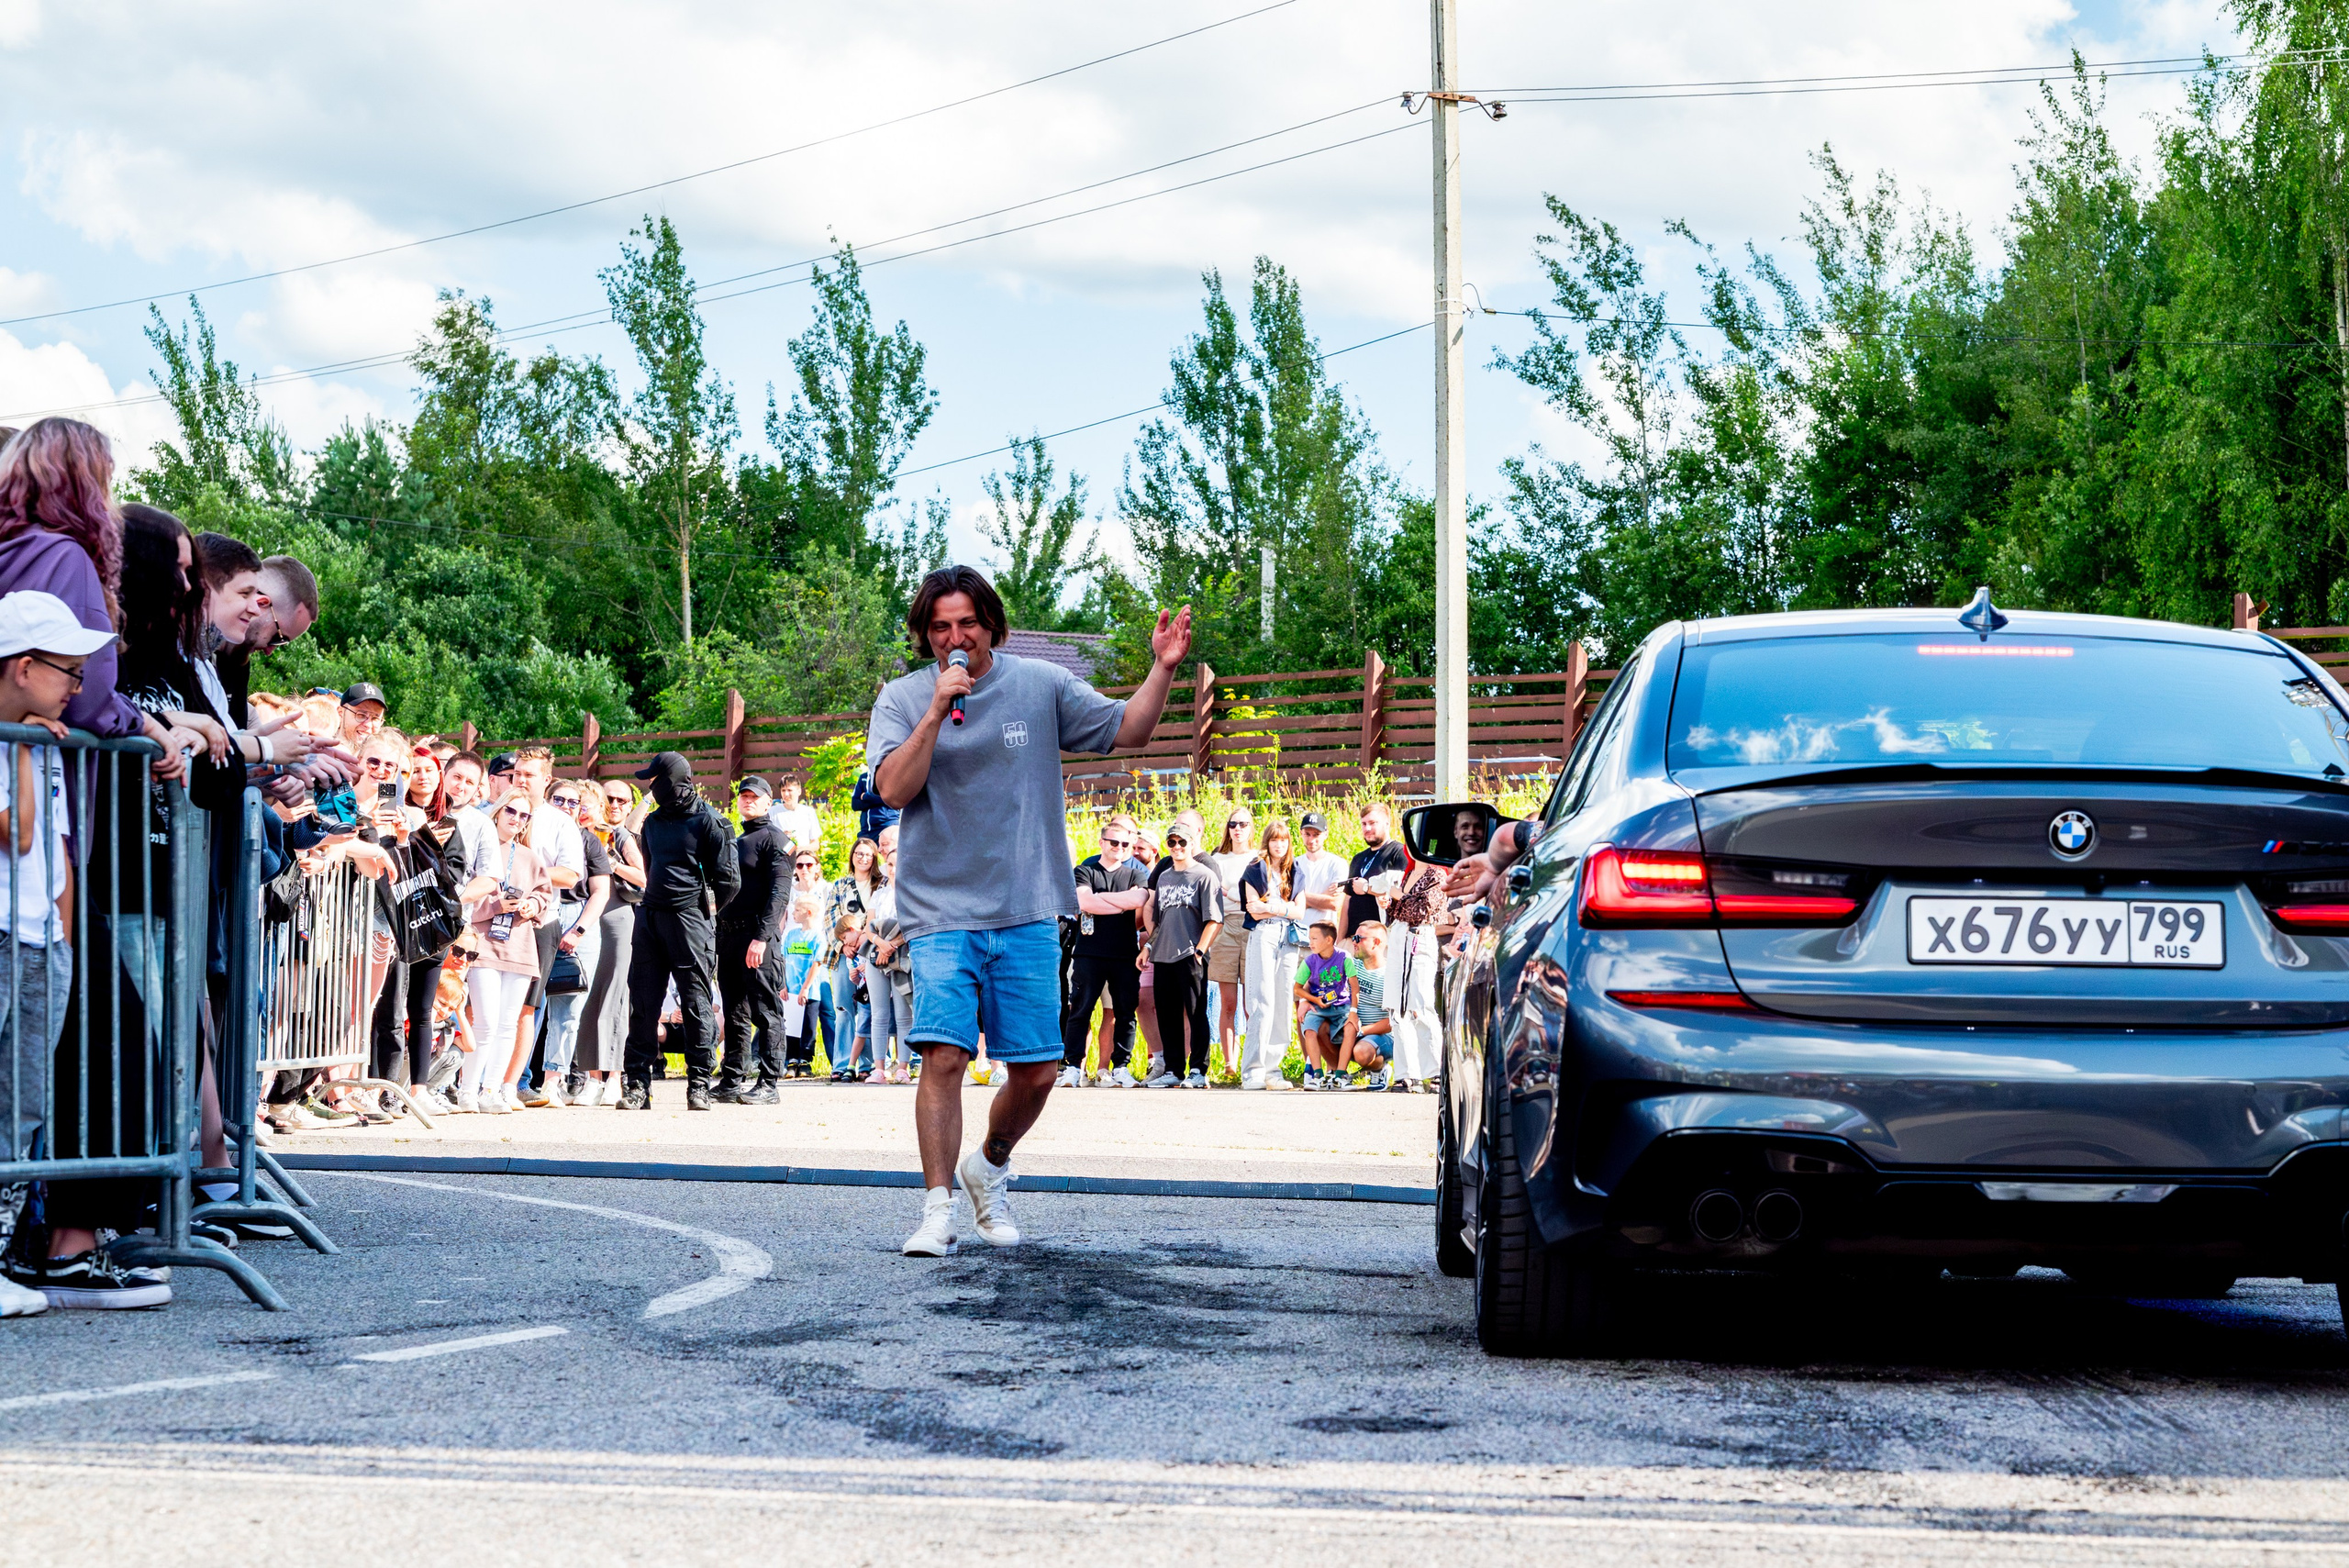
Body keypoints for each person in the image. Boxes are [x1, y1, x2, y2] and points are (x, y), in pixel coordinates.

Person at [868, 564, 1190, 1256]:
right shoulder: (902, 698)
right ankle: (936, 1210)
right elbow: (894, 789)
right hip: (940, 909)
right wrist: (935, 710)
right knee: (945, 1054)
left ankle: (989, 1163)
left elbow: (1129, 729)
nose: (956, 639)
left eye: (967, 624)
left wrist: (1162, 668)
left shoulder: (1039, 684)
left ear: (991, 624)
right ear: (927, 636)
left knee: (1040, 1070)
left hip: (1027, 906)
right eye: (940, 627)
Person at [0, 592, 152, 1311]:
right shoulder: (26, 743)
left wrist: (61, 935)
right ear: (23, 667)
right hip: (6, 936)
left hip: (39, 941)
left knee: (21, 1110)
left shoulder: (44, 738)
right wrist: (29, 753)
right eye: (68, 670)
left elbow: (57, 852)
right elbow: (19, 831)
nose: (79, 686)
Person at [0, 419, 197, 778]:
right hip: (44, 782)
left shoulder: (11, 546)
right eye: (106, 483)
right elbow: (83, 693)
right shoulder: (65, 557)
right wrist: (141, 725)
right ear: (83, 488)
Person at [619, 753, 740, 1110]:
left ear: (674, 780)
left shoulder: (711, 823)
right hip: (651, 917)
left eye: (655, 780)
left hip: (690, 920)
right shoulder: (653, 823)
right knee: (642, 1004)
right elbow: (651, 866)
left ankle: (699, 1084)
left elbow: (729, 881)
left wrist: (704, 909)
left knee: (696, 1004)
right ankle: (638, 1086)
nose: (650, 787)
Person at [453, 792, 552, 1113]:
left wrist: (531, 904)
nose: (516, 819)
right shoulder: (481, 847)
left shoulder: (530, 856)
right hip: (483, 943)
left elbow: (545, 895)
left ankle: (491, 1090)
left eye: (525, 815)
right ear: (498, 810)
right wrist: (495, 906)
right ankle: (468, 1089)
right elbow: (463, 896)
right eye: (511, 810)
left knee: (509, 1023)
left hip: (521, 945)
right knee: (484, 1022)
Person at [504, 747, 584, 1106]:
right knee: (485, 1002)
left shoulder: (559, 822)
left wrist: (526, 876)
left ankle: (518, 1081)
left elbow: (570, 874)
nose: (520, 779)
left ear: (546, 780)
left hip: (539, 922)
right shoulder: (499, 810)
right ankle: (480, 1079)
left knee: (527, 1007)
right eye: (517, 773)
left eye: (529, 775)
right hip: (496, 917)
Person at [715, 774, 790, 1103]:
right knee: (734, 1011)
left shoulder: (776, 839)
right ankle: (732, 1080)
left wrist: (761, 937)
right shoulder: (735, 838)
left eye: (754, 797)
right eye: (743, 796)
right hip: (728, 935)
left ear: (767, 801)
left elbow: (780, 893)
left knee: (765, 1009)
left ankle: (769, 1083)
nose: (747, 801)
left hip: (757, 936)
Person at [1061, 814, 1149, 1088]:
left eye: (1126, 844)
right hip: (1089, 952)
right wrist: (1118, 904)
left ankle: (1120, 1067)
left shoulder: (1136, 873)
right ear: (1102, 842)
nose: (1120, 848)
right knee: (1080, 1010)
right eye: (1114, 842)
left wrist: (1099, 900)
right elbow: (1083, 902)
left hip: (1124, 954)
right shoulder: (1085, 870)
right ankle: (1073, 1067)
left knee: (1125, 1013)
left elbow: (1139, 899)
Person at [538, 778, 611, 1106]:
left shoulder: (589, 841)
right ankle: (513, 1080)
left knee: (568, 1008)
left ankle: (553, 1081)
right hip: (538, 910)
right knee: (529, 1003)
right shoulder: (531, 832)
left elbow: (601, 891)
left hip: (577, 917)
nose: (566, 807)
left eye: (573, 802)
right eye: (559, 800)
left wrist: (578, 930)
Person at [573, 779, 643, 1104]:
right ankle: (590, 1078)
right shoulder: (569, 833)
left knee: (614, 997)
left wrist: (611, 863)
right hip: (582, 918)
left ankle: (614, 1077)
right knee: (585, 999)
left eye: (589, 805)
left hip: (616, 918)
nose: (583, 811)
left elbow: (644, 877)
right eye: (579, 804)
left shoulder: (617, 835)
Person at [1140, 818, 1222, 1088]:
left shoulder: (1204, 875)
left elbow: (1215, 919)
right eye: (1171, 842)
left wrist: (1200, 951)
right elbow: (1160, 921)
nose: (1176, 847)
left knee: (1197, 1013)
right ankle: (1174, 1070)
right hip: (1163, 954)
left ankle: (1199, 1070)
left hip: (1190, 954)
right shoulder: (1163, 877)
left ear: (1191, 844)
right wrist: (1149, 946)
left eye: (1181, 842)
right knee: (1168, 1014)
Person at [1239, 818, 1305, 1091]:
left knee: (1282, 1001)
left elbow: (1300, 912)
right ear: (1267, 841)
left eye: (1284, 839)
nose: (1280, 844)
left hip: (1288, 937)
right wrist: (1282, 907)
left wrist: (1273, 905)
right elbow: (1253, 910)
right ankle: (1252, 1070)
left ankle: (1272, 1069)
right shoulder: (1255, 868)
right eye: (1275, 839)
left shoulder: (1295, 870)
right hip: (1264, 934)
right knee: (1262, 1000)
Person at [826, 836, 886, 1080]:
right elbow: (829, 918)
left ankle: (868, 1064)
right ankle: (841, 1063)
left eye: (868, 854)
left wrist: (862, 941)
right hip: (841, 954)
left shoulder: (881, 885)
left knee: (869, 1008)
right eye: (858, 853)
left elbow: (883, 915)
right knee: (843, 1008)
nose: (863, 858)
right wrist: (842, 945)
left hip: (871, 952)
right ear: (852, 856)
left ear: (874, 858)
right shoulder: (840, 885)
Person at [1200, 808, 1255, 1078]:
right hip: (1223, 928)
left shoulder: (1258, 858)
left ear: (1251, 827)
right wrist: (1237, 896)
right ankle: (1229, 1063)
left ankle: (1251, 1061)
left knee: (1251, 1002)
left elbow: (1254, 896)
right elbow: (1213, 897)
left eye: (1243, 824)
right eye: (1233, 824)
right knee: (1228, 1001)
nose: (1238, 828)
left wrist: (1232, 894)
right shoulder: (1216, 858)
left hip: (1252, 927)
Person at [863, 826, 914, 1085]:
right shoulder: (879, 894)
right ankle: (879, 1068)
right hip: (876, 955)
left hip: (902, 956)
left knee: (904, 1012)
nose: (892, 869)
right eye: (889, 865)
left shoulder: (912, 895)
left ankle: (903, 1066)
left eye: (896, 864)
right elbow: (868, 927)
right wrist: (880, 944)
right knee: (879, 1012)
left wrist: (891, 945)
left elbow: (915, 925)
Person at [1292, 921, 1358, 1090]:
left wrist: (1353, 1011)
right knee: (1309, 1029)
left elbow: (1354, 986)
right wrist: (1315, 1001)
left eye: (1314, 938)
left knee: (1350, 1028)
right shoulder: (1309, 961)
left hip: (1342, 1006)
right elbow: (1297, 989)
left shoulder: (1344, 957)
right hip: (1318, 1007)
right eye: (1309, 938)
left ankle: (1340, 1074)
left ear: (1329, 940)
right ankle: (1317, 1074)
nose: (1310, 943)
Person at [1330, 919, 1394, 1091]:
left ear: (1377, 942)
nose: (1354, 941)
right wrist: (1307, 1002)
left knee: (1362, 1051)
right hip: (1352, 1029)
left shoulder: (1390, 975)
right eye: (1354, 937)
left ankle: (1380, 1068)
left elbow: (1393, 1022)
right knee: (1317, 1025)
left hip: (1380, 1036)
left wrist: (1362, 1031)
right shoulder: (1351, 964)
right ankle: (1336, 1074)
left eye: (1359, 938)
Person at [1344, 803, 1407, 947]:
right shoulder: (1358, 858)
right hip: (1353, 939)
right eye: (1364, 824)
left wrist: (1367, 888)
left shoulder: (1399, 853)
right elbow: (1348, 900)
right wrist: (1341, 939)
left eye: (1372, 823)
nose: (1367, 828)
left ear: (1387, 824)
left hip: (1381, 942)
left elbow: (1403, 895)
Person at [781, 898, 827, 1072]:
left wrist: (806, 988)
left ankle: (806, 1061)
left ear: (808, 913)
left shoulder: (818, 937)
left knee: (808, 1026)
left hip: (809, 991)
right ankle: (791, 1060)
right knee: (791, 1027)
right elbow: (783, 960)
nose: (793, 914)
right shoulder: (791, 935)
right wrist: (783, 985)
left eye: (797, 910)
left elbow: (816, 963)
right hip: (790, 991)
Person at [770, 775, 821, 855]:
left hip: (802, 860)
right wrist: (782, 837)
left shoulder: (809, 812)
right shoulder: (772, 812)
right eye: (783, 790)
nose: (786, 794)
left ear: (799, 791)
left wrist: (801, 849)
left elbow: (815, 844)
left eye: (790, 790)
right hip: (780, 859)